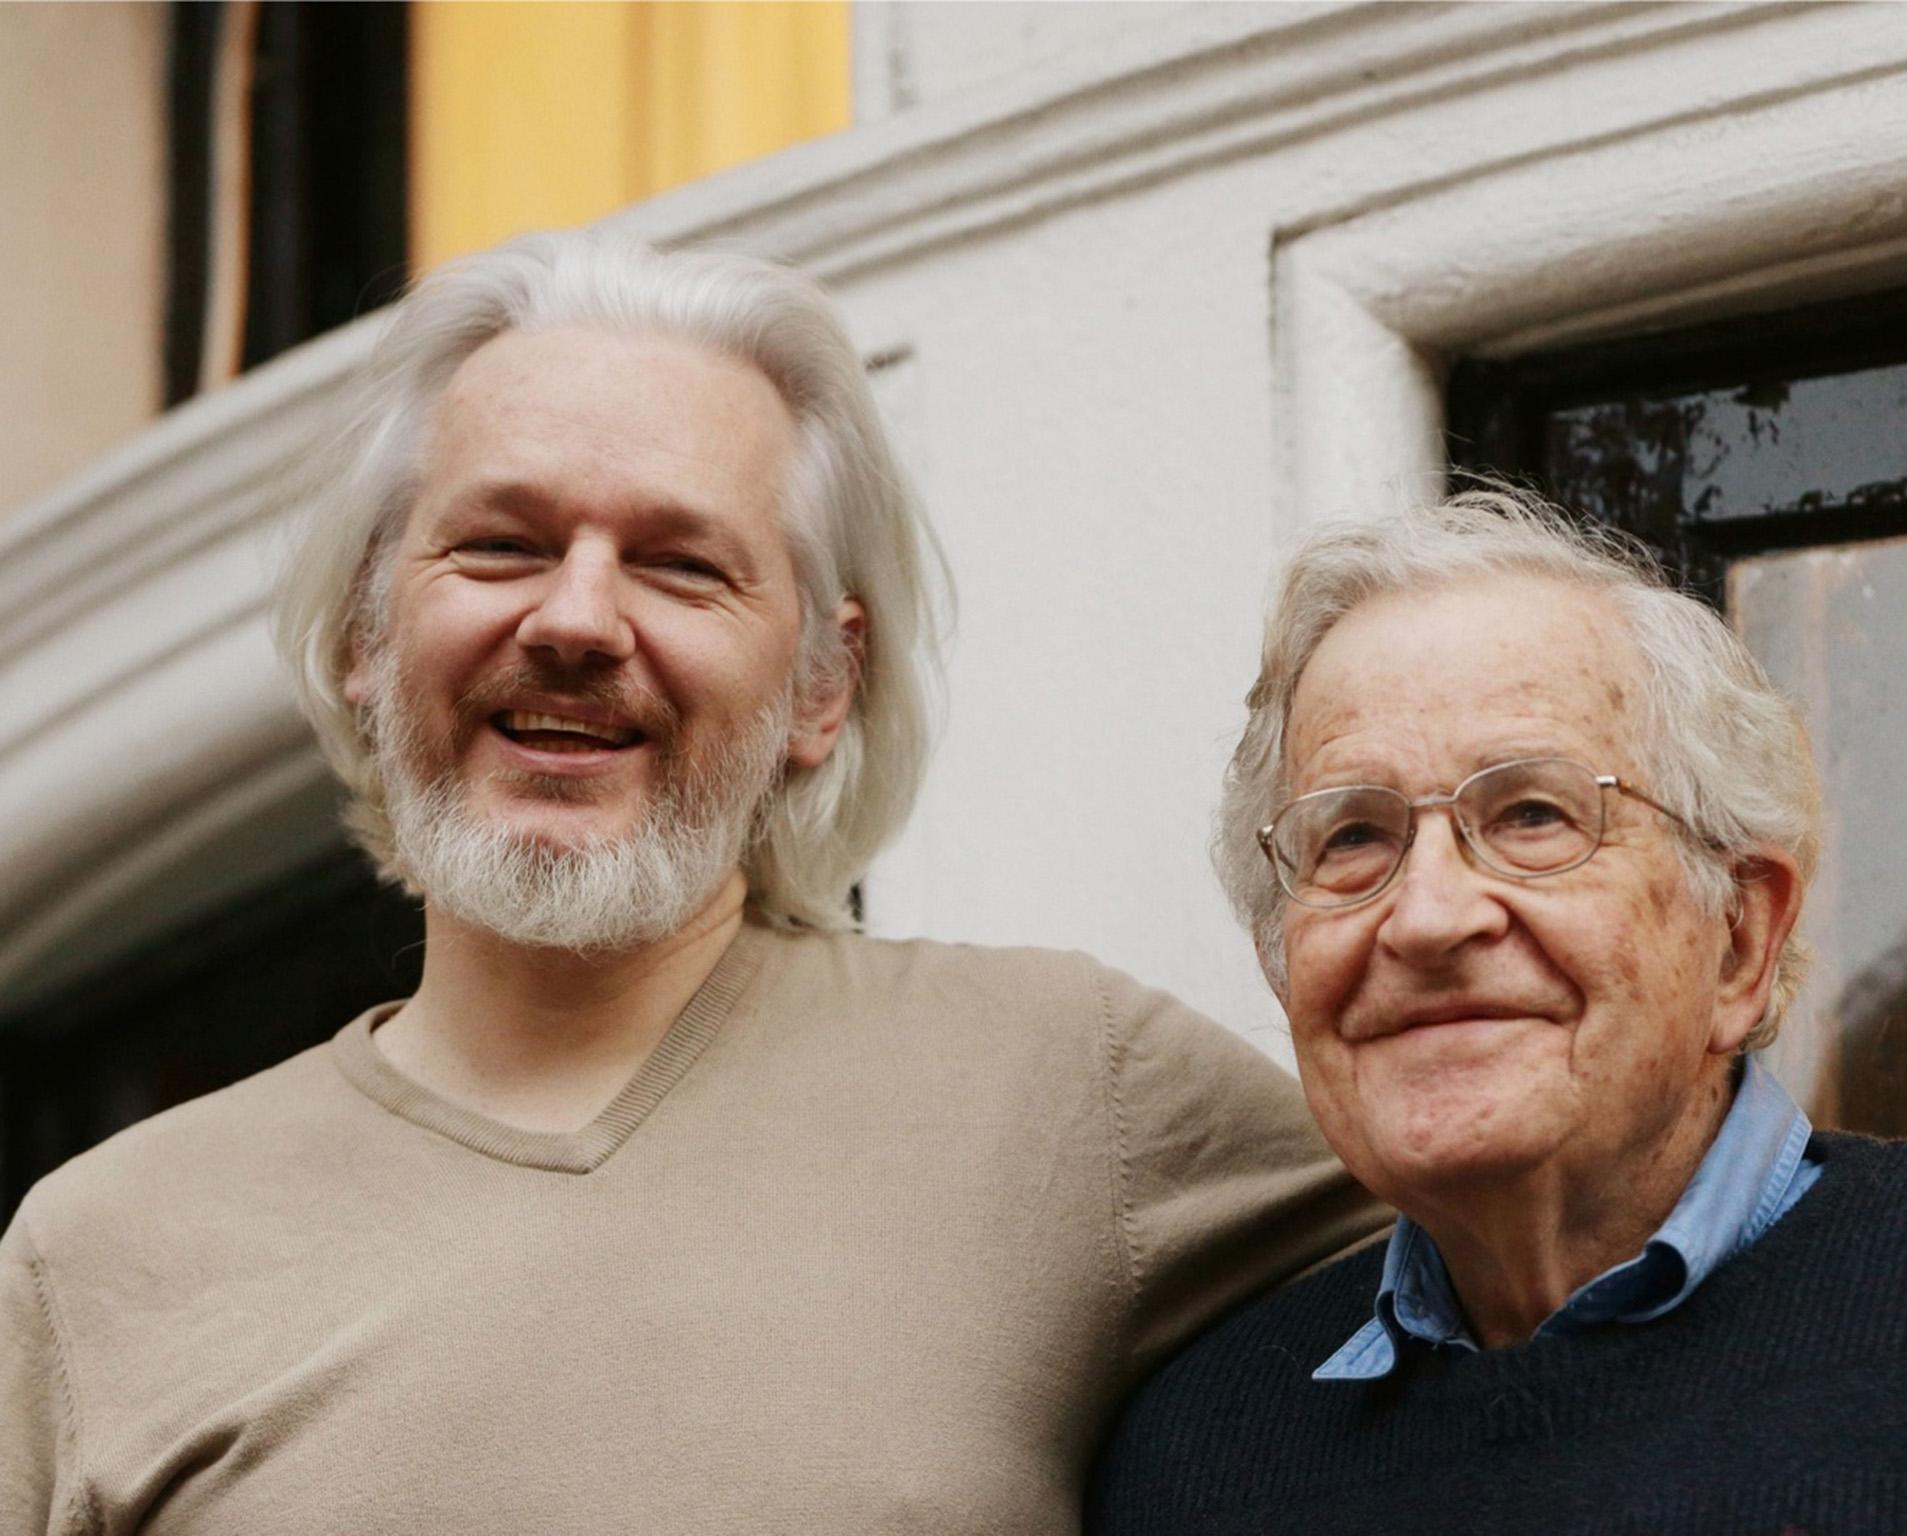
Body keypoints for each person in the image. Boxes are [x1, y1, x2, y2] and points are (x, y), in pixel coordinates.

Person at [0, 232, 1384, 1535]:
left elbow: (1545, 1273)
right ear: (370, 629)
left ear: (822, 686)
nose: (578, 621)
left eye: (679, 565)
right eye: (501, 544)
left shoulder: (1071, 1087)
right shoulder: (97, 1254)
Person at [1089, 488, 1907, 1534]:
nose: (1425, 917)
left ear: (1737, 938)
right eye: (1352, 838)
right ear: (1283, 965)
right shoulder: (1192, 1458)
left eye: (1532, 815)